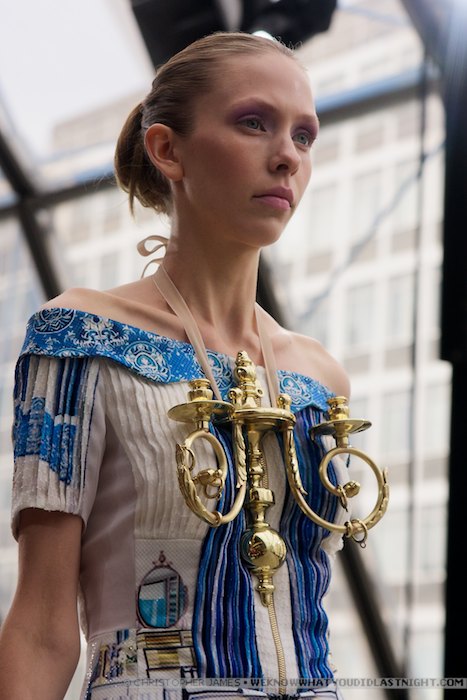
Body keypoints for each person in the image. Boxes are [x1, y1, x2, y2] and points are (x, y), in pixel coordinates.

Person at [0, 31, 351, 700]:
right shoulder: (81, 336)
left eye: (304, 136)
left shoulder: (320, 379)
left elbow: (310, 607)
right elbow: (42, 625)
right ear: (167, 149)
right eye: (254, 123)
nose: (287, 156)